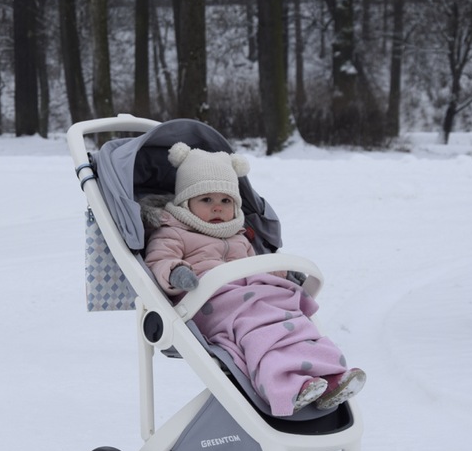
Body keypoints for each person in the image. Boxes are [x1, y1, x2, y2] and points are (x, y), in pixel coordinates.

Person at [144, 142, 365, 417]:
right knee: (260, 333)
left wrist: (282, 274)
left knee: (294, 324)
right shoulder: (173, 232)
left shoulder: (239, 235)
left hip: (255, 298)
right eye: (206, 200)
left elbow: (257, 267)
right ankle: (286, 388)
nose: (217, 208)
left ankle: (331, 376)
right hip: (212, 303)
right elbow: (158, 261)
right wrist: (176, 273)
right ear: (185, 202)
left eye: (225, 201)